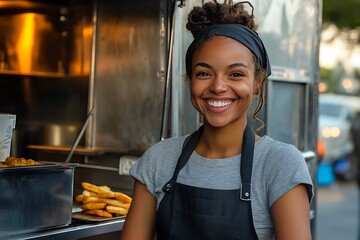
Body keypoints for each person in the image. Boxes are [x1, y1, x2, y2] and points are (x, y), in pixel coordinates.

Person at [121, 1, 313, 239]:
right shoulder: (158, 160)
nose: (218, 86)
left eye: (235, 74)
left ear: (257, 83)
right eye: (204, 73)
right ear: (190, 80)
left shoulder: (279, 164)